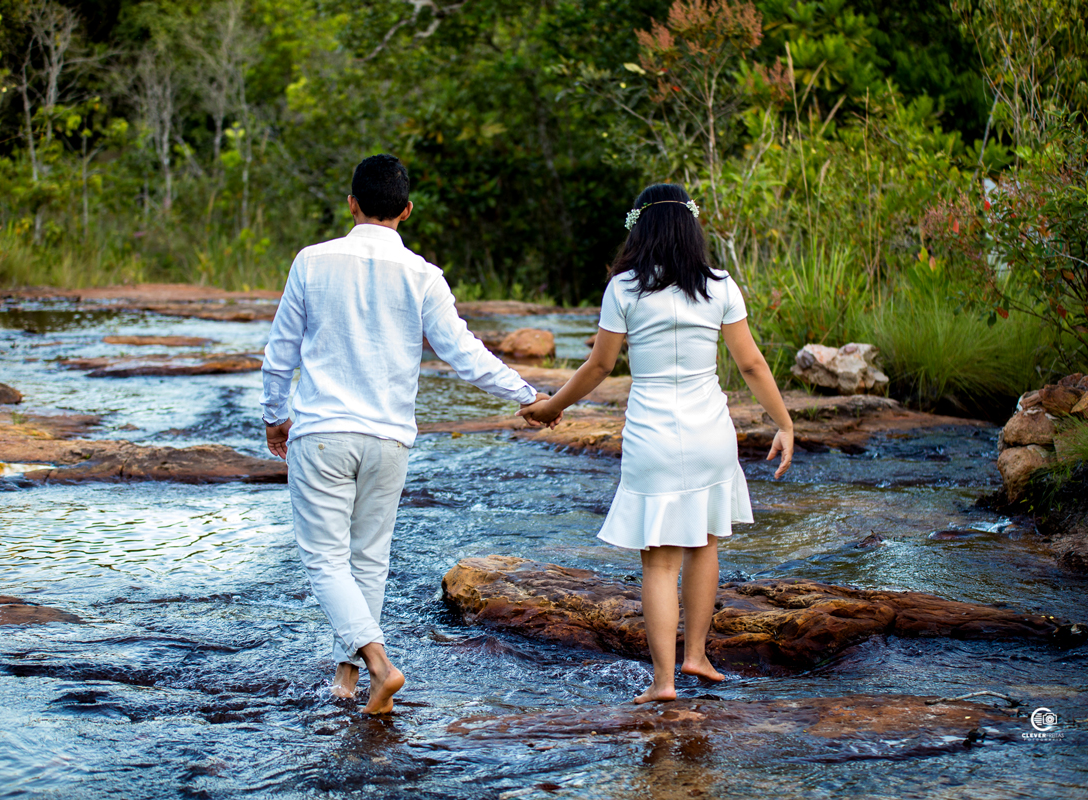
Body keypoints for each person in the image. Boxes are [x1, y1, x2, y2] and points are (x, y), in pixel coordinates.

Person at [261, 154, 553, 714]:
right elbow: (464, 353)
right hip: (389, 439)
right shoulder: (423, 275)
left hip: (322, 432)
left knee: (326, 561)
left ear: (351, 203)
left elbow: (281, 351)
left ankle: (378, 665)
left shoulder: (311, 262)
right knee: (368, 561)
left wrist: (275, 416)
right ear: (408, 211)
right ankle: (349, 685)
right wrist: (527, 395)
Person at [517, 183, 794, 704]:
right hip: (710, 432)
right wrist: (785, 423)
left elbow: (600, 365)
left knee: (661, 562)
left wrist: (553, 406)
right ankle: (699, 656)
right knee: (705, 543)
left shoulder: (623, 288)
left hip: (653, 437)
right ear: (691, 227)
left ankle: (663, 682)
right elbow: (751, 363)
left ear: (638, 228)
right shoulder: (719, 285)